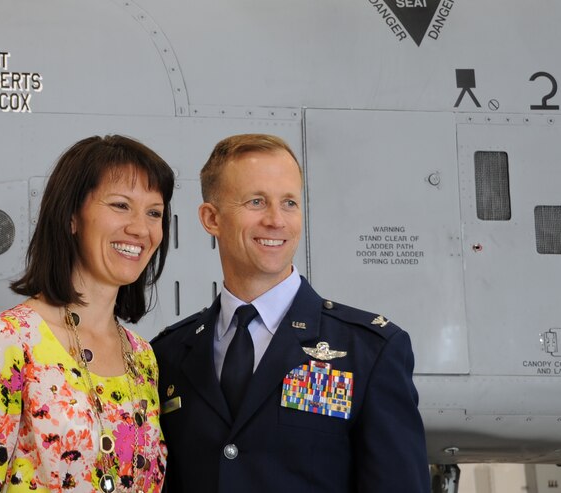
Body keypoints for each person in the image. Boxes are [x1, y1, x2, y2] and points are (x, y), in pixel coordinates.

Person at [152, 134, 429, 492]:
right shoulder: (170, 355)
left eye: (289, 203)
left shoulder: (370, 351)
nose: (276, 220)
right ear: (211, 218)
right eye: (256, 202)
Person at [0, 135, 173, 493]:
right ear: (71, 217)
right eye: (120, 205)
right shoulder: (7, 340)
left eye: (154, 213)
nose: (140, 228)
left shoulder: (142, 357)